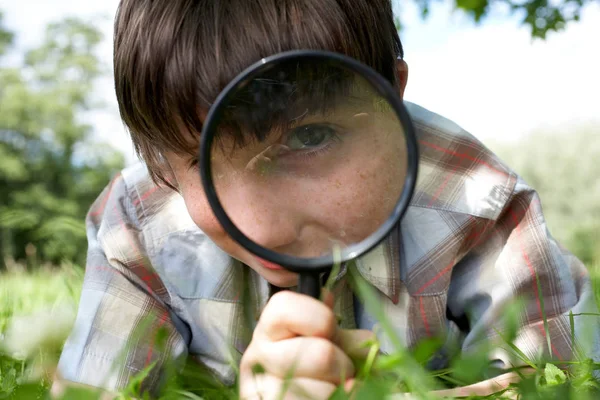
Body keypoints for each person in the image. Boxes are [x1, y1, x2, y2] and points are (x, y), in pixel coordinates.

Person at [52, 0, 599, 398]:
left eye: (310, 137)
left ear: (392, 96)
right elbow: (89, 391)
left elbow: (568, 379)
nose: (260, 229)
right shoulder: (137, 225)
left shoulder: (475, 199)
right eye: (199, 162)